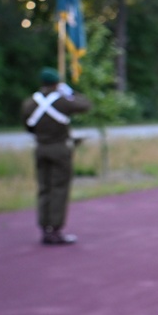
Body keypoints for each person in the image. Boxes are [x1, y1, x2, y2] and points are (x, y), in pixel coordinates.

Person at [21, 67, 92, 245]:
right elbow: (86, 105)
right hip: (59, 148)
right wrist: (71, 92)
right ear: (56, 83)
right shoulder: (63, 102)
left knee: (44, 188)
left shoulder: (29, 103)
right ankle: (56, 229)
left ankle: (44, 228)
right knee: (59, 188)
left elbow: (28, 127)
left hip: (40, 148)